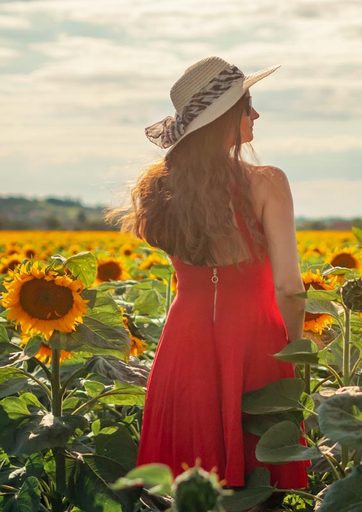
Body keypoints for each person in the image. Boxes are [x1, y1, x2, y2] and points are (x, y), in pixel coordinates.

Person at [104, 56, 310, 510]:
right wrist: (296, 352)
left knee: (183, 490)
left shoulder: (158, 188)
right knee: (259, 490)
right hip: (257, 344)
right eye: (248, 105)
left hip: (185, 345)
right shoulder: (268, 182)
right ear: (224, 118)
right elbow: (290, 288)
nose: (255, 115)